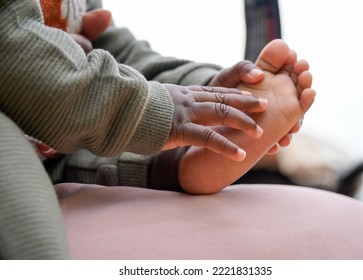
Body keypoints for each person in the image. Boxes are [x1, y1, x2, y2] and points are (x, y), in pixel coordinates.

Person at [0, 0, 314, 259]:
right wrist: (160, 110)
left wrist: (206, 89)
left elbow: (120, 55)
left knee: (114, 123)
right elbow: (10, 48)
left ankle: (174, 161)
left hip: (59, 135)